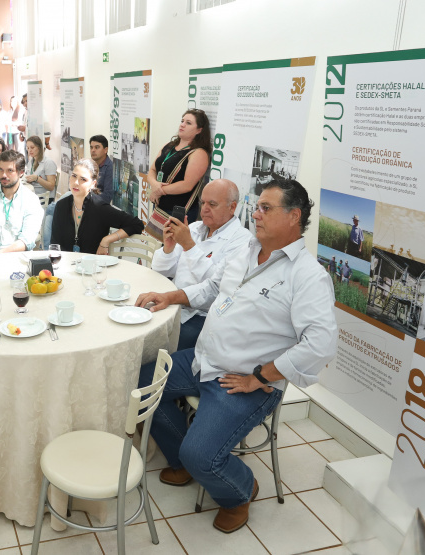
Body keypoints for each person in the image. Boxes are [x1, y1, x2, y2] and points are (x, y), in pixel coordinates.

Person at [135, 178, 337, 534]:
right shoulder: (248, 250)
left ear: (294, 217)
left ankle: (240, 490)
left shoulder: (308, 276)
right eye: (256, 206)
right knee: (140, 383)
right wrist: (172, 297)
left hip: (241, 381)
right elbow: (214, 288)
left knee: (201, 456)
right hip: (203, 360)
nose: (255, 214)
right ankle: (186, 457)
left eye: (265, 208)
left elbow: (320, 345)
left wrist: (260, 377)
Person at [151, 179, 252, 351]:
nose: (204, 209)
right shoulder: (196, 227)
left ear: (232, 207)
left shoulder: (243, 240)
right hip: (174, 302)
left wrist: (189, 246)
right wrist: (168, 248)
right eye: (202, 202)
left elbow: (215, 286)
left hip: (203, 314)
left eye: (212, 204)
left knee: (158, 345)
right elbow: (161, 270)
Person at [51, 158, 144, 255]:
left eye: (83, 179)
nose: (76, 182)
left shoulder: (100, 208)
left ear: (93, 184)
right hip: (67, 265)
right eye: (74, 176)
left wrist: (106, 240)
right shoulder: (61, 205)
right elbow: (54, 244)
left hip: (93, 267)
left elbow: (137, 224)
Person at [146, 109, 212, 223]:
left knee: (172, 241)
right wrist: (154, 185)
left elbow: (187, 185)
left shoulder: (198, 153)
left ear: (199, 130)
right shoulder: (169, 146)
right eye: (182, 121)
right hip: (160, 206)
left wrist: (158, 190)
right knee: (158, 240)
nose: (182, 125)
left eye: (188, 123)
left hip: (178, 211)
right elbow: (152, 169)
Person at [25, 135, 58, 200]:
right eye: (28, 148)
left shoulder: (48, 163)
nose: (29, 150)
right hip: (33, 195)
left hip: (44, 198)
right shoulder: (31, 161)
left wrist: (37, 179)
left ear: (39, 148)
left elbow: (51, 187)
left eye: (32, 147)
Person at [89, 135, 114, 204]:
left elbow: (107, 196)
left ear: (105, 150)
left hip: (98, 207)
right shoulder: (89, 164)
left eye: (97, 147)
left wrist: (87, 198)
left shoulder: (110, 167)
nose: (93, 150)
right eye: (91, 147)